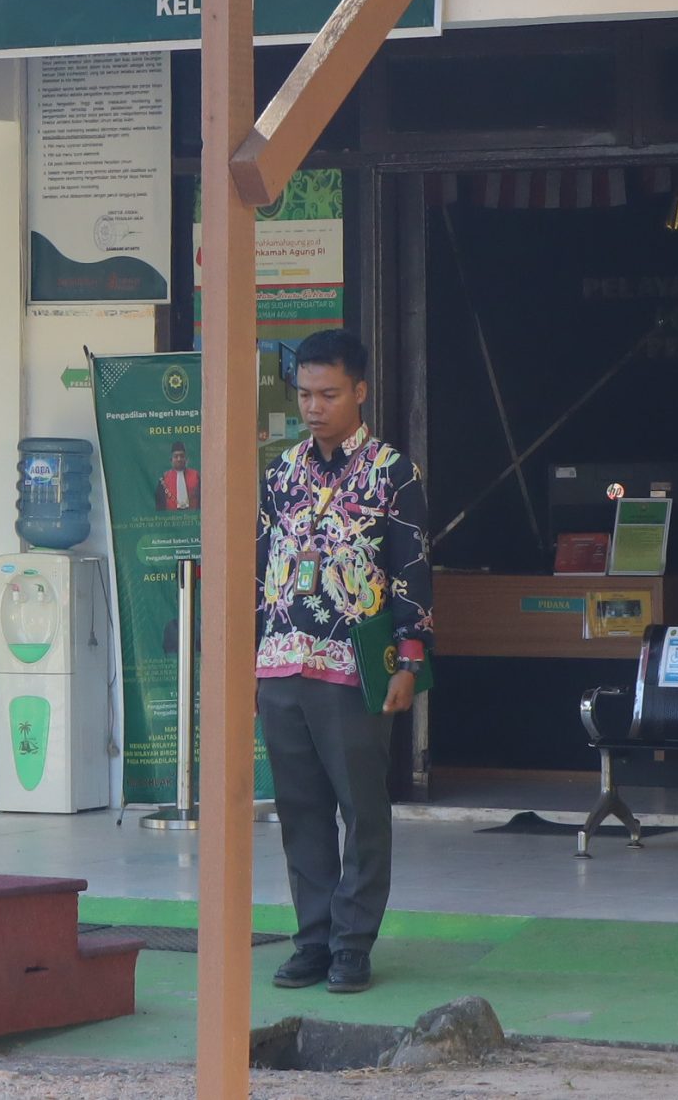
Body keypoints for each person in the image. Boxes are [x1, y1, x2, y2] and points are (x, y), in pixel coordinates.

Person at [255, 328, 432, 997]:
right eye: (304, 394)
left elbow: (412, 570)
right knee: (299, 809)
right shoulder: (280, 473)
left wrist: (409, 660)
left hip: (355, 667)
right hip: (282, 660)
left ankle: (352, 945)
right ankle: (312, 940)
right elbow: (260, 569)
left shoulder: (393, 472)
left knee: (362, 808)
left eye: (328, 394)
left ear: (360, 391)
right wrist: (250, 660)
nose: (314, 407)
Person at [159, 442, 199, 511]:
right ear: (171, 460)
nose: (179, 459)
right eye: (176, 456)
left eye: (182, 456)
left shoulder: (196, 475)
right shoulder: (164, 478)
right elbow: (160, 504)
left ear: (186, 459)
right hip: (172, 516)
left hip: (193, 515)